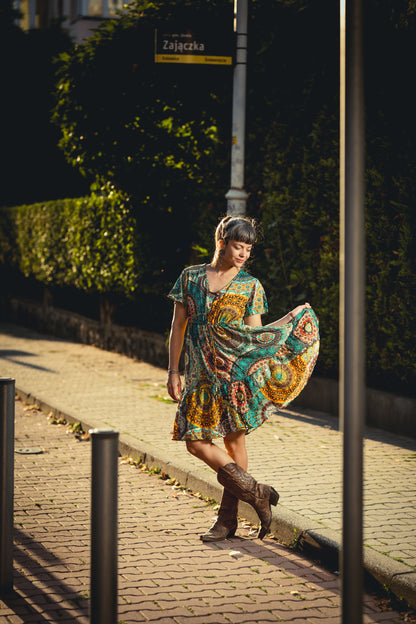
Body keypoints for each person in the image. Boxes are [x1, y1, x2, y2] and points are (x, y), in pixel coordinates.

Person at [167, 216, 319, 542]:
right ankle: (256, 492)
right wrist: (173, 371)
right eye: (239, 246)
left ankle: (227, 520)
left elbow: (256, 336)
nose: (244, 253)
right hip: (198, 377)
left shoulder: (251, 286)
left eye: (248, 248)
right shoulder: (190, 278)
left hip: (234, 376)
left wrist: (289, 321)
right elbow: (177, 327)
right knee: (195, 443)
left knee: (234, 443)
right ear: (222, 241)